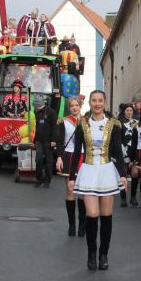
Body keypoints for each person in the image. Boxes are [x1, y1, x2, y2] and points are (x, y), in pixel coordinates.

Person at [70, 90, 127, 270]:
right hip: (88, 171)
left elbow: (117, 151)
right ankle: (91, 253)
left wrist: (123, 174)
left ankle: (104, 254)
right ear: (90, 103)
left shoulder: (114, 124)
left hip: (107, 171)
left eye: (100, 100)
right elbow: (76, 152)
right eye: (94, 100)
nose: (97, 104)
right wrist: (72, 176)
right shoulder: (82, 124)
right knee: (92, 214)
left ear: (104, 102)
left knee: (106, 216)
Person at [56, 97, 86, 237]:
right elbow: (60, 141)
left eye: (76, 105)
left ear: (80, 106)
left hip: (84, 157)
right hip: (68, 156)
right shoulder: (64, 121)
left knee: (83, 193)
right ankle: (72, 225)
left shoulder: (87, 120)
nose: (74, 108)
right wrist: (59, 157)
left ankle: (82, 224)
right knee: (70, 190)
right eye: (72, 106)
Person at [33, 95, 57, 188]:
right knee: (38, 160)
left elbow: (55, 127)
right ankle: (39, 179)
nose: (35, 106)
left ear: (38, 104)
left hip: (49, 141)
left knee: (49, 161)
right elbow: (37, 127)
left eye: (35, 104)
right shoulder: (37, 113)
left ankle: (47, 181)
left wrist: (54, 140)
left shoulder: (51, 112)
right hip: (39, 141)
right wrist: (35, 140)